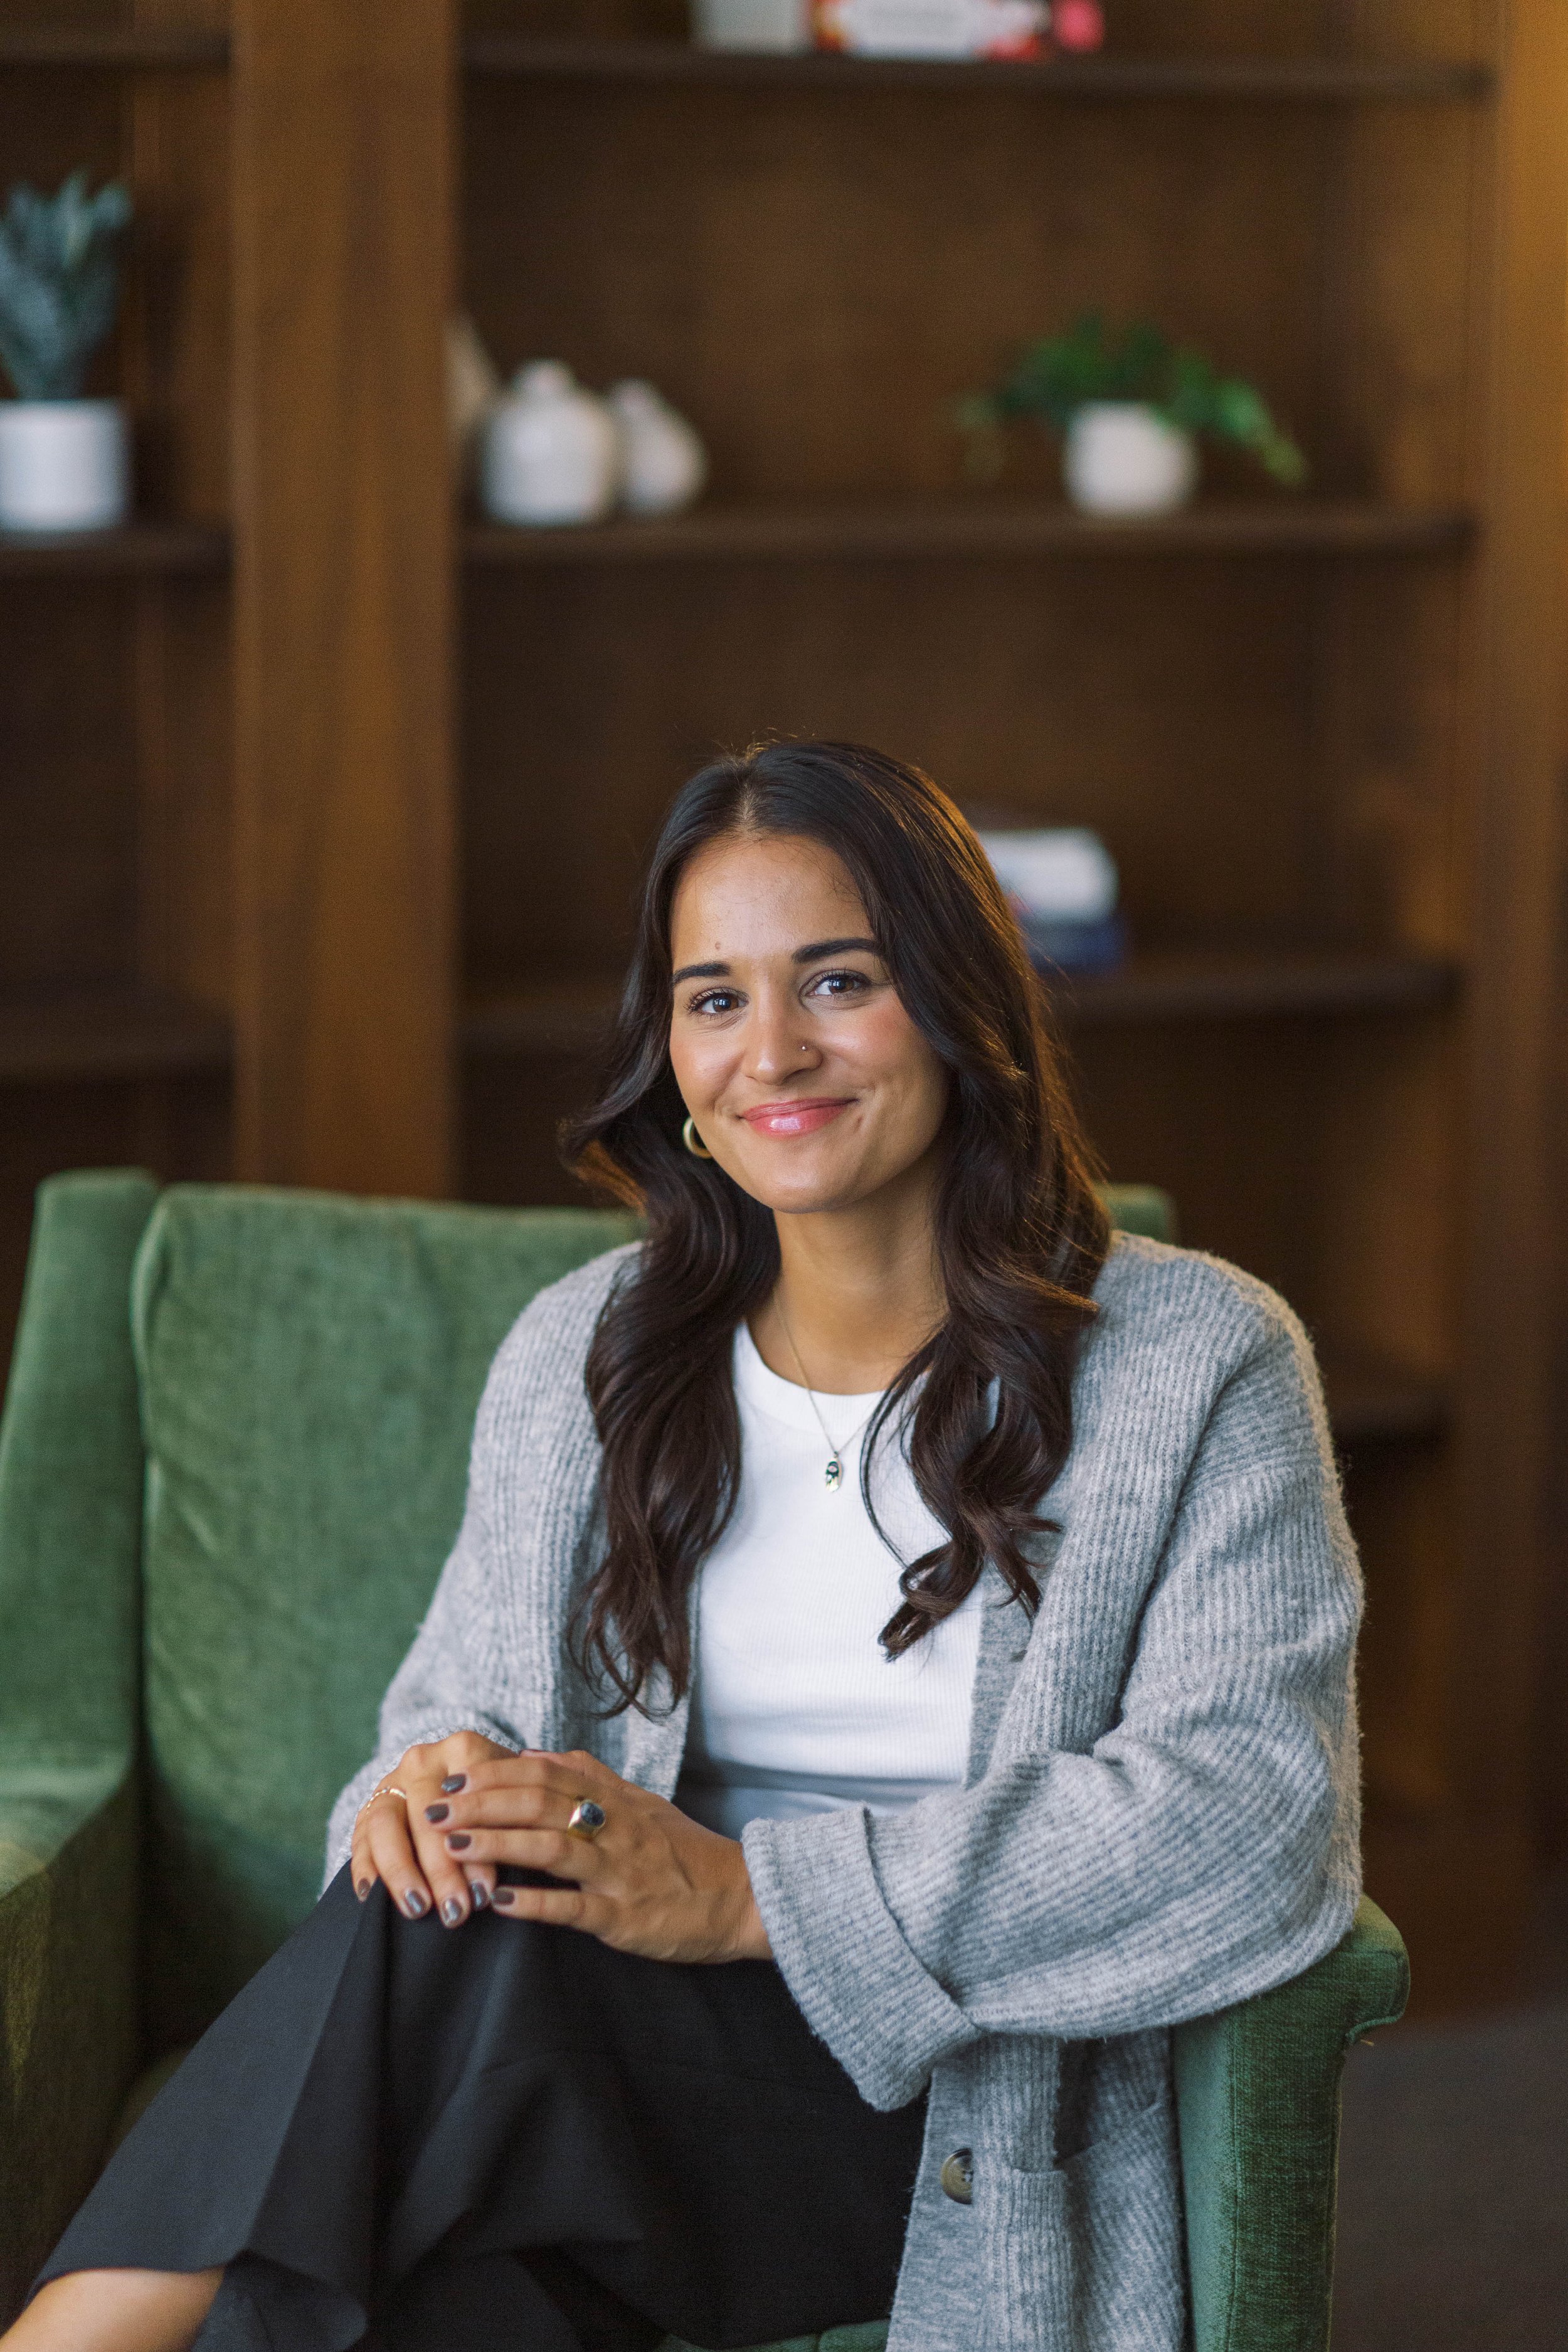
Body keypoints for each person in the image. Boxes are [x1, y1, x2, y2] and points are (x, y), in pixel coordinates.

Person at [8, 740, 1362, 2352]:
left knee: (487, 2002)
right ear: (670, 1051)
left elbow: (1249, 1818)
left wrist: (746, 1900)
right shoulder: (588, 1353)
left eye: (837, 981)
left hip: (941, 2110)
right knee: (441, 2084)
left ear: (955, 999)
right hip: (576, 2085)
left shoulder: (1197, 1361)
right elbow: (450, 1729)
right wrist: (422, 1807)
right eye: (712, 998)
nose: (770, 1050)